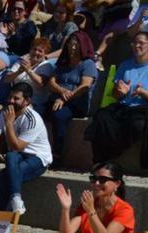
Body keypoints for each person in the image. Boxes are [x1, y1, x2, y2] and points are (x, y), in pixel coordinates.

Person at [84, 32, 148, 170]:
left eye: (141, 43)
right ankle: (98, 160)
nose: (137, 46)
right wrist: (120, 91)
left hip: (143, 107)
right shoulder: (125, 65)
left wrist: (142, 92)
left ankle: (113, 153)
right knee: (101, 116)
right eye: (135, 42)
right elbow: (116, 95)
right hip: (124, 106)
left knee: (137, 125)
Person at [0, 82, 52, 215]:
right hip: (16, 156)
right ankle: (15, 199)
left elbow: (17, 146)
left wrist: (9, 123)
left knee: (8, 173)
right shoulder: (5, 112)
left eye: (16, 98)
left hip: (37, 158)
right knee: (10, 157)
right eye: (10, 97)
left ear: (27, 101)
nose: (11, 101)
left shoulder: (32, 119)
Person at [47, 31, 98, 160]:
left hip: (78, 102)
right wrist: (62, 92)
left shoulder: (88, 64)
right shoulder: (63, 62)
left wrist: (64, 98)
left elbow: (85, 86)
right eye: (70, 44)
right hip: (58, 98)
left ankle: (58, 153)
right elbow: (51, 82)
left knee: (59, 115)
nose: (73, 47)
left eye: (76, 44)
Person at [3, 37, 53, 114]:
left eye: (40, 51)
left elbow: (41, 83)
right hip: (14, 101)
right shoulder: (21, 61)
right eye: (34, 49)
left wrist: (28, 70)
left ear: (45, 54)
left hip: (34, 104)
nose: (36, 52)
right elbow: (6, 80)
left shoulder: (46, 66)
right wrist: (19, 71)